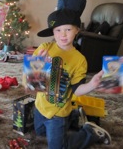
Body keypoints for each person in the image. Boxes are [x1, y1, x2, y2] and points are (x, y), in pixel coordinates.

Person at [30, 9, 111, 149]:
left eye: (68, 29)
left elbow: (77, 90)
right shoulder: (44, 48)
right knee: (40, 133)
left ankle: (90, 133)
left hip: (58, 113)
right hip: (40, 106)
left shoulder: (80, 60)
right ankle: (74, 117)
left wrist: (92, 84)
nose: (63, 34)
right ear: (53, 33)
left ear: (76, 30)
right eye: (58, 30)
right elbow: (33, 82)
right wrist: (38, 65)